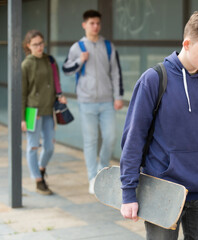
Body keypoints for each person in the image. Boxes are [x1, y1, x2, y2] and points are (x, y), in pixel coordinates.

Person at [120, 11, 198, 240]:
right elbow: (134, 137)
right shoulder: (154, 79)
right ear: (187, 44)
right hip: (162, 192)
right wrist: (128, 193)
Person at [62, 10, 124, 194]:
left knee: (110, 137)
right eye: (91, 23)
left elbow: (116, 72)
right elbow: (66, 69)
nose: (95, 26)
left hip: (106, 101)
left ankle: (101, 168)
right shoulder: (77, 47)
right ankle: (92, 177)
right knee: (90, 140)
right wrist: (80, 61)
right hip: (86, 101)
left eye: (97, 23)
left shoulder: (108, 46)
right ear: (84, 25)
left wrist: (118, 96)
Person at [21, 29, 67, 195]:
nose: (39, 47)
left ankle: (41, 168)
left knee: (49, 147)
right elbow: (23, 94)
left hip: (48, 110)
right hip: (32, 111)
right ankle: (38, 180)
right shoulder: (26, 65)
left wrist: (60, 96)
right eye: (35, 44)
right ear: (28, 46)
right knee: (33, 146)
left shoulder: (50, 60)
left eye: (41, 43)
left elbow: (56, 82)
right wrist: (23, 118)